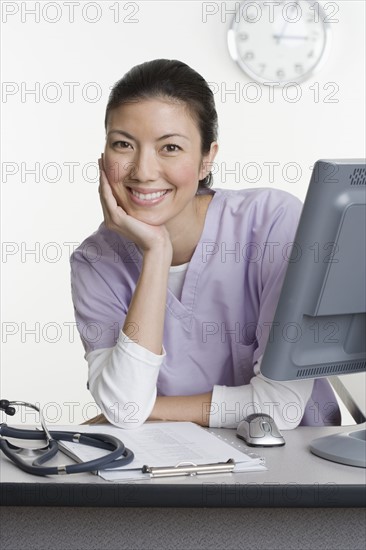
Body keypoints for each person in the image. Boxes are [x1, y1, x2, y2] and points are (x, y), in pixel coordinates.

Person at [70, 59, 341, 429]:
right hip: (169, 470)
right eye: (123, 144)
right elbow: (125, 404)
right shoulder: (96, 260)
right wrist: (156, 252)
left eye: (170, 148)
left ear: (206, 159)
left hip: (289, 466)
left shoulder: (272, 222)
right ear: (103, 158)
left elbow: (281, 406)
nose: (144, 171)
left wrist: (151, 410)